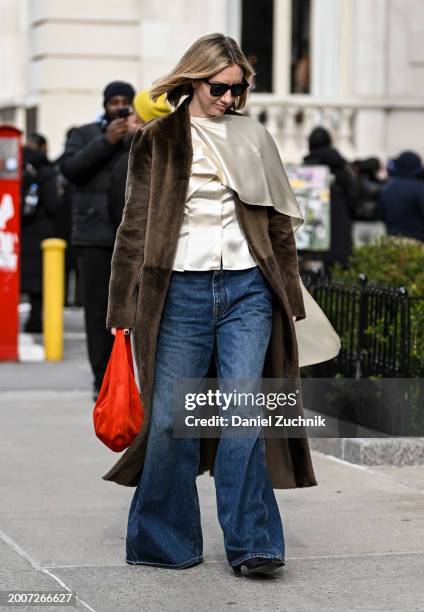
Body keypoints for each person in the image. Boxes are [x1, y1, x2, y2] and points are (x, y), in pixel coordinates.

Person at [104, 33, 340, 577]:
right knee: (167, 423)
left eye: (239, 89)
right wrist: (121, 311)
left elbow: (278, 221)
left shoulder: (253, 136)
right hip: (178, 294)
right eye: (220, 88)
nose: (230, 99)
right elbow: (134, 227)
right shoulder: (158, 140)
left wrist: (288, 294)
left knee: (242, 415)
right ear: (194, 80)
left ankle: (252, 542)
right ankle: (165, 540)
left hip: (247, 292)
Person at [59, 80, 136, 397]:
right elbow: (70, 169)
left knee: (130, 310)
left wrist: (133, 138)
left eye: (124, 102)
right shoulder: (85, 134)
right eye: (113, 101)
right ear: (104, 105)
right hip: (93, 237)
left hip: (128, 236)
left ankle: (129, 378)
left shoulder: (137, 135)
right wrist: (106, 141)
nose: (118, 107)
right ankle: (101, 379)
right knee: (97, 312)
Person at [107, 90, 172, 232]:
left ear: (137, 122)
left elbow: (121, 215)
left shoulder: (131, 160)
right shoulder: (172, 155)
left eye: (131, 113)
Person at [21, 133, 62, 333]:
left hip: (20, 230)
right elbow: (54, 204)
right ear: (42, 146)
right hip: (42, 231)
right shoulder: (46, 171)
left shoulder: (16, 167)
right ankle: (35, 320)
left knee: (21, 276)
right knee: (39, 279)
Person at [303, 127, 359, 271]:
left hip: (312, 228)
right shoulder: (341, 167)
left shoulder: (306, 168)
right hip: (340, 227)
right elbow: (353, 197)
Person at [379, 151, 424, 242]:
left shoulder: (387, 187)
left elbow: (381, 213)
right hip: (417, 239)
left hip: (391, 239)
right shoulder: (420, 188)